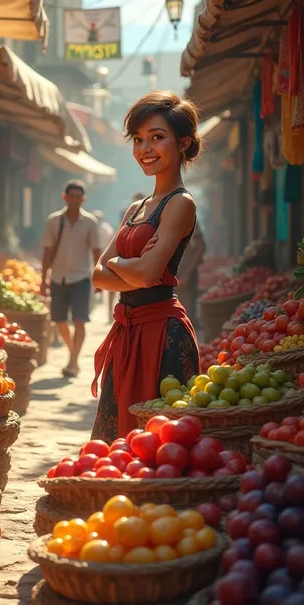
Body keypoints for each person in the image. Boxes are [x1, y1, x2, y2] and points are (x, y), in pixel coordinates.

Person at [91, 90, 201, 443]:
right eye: (138, 140)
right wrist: (131, 265)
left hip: (162, 336)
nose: (145, 149)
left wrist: (119, 262)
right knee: (117, 444)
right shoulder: (137, 207)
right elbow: (97, 275)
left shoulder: (180, 204)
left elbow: (149, 275)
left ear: (183, 143)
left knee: (156, 443)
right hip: (127, 334)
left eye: (157, 137)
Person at [41, 180, 101, 377]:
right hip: (58, 277)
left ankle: (73, 361)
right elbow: (47, 251)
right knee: (59, 322)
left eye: (78, 197)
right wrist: (43, 279)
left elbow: (96, 251)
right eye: (71, 196)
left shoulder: (90, 222)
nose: (74, 200)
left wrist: (100, 278)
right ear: (64, 197)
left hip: (81, 278)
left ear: (83, 199)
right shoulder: (54, 221)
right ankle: (72, 353)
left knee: (79, 320)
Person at [177, 220, 206, 327]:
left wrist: (187, 274)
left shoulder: (187, 216)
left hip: (185, 276)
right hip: (170, 277)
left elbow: (200, 247)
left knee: (185, 316)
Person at [93, 210, 116, 323]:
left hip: (106, 259)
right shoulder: (91, 227)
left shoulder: (106, 228)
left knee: (111, 287)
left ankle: (110, 313)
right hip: (93, 258)